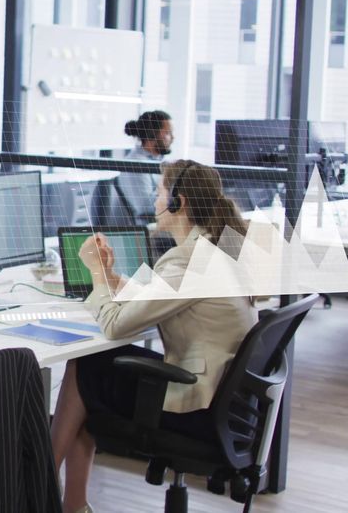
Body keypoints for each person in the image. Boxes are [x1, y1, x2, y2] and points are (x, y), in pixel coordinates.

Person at [50, 160, 257, 513]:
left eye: (160, 190)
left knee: (86, 368)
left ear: (180, 202)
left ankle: (39, 487)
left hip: (197, 407)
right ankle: (69, 504)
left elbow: (115, 326)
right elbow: (155, 301)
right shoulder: (213, 249)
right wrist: (112, 277)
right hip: (227, 405)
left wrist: (98, 275)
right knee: (91, 372)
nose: (154, 197)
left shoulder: (188, 261)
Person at [115, 110, 174, 225]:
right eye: (168, 133)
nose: (173, 137)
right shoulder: (135, 164)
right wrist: (176, 195)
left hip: (167, 221)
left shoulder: (159, 161)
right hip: (153, 226)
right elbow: (144, 207)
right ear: (152, 135)